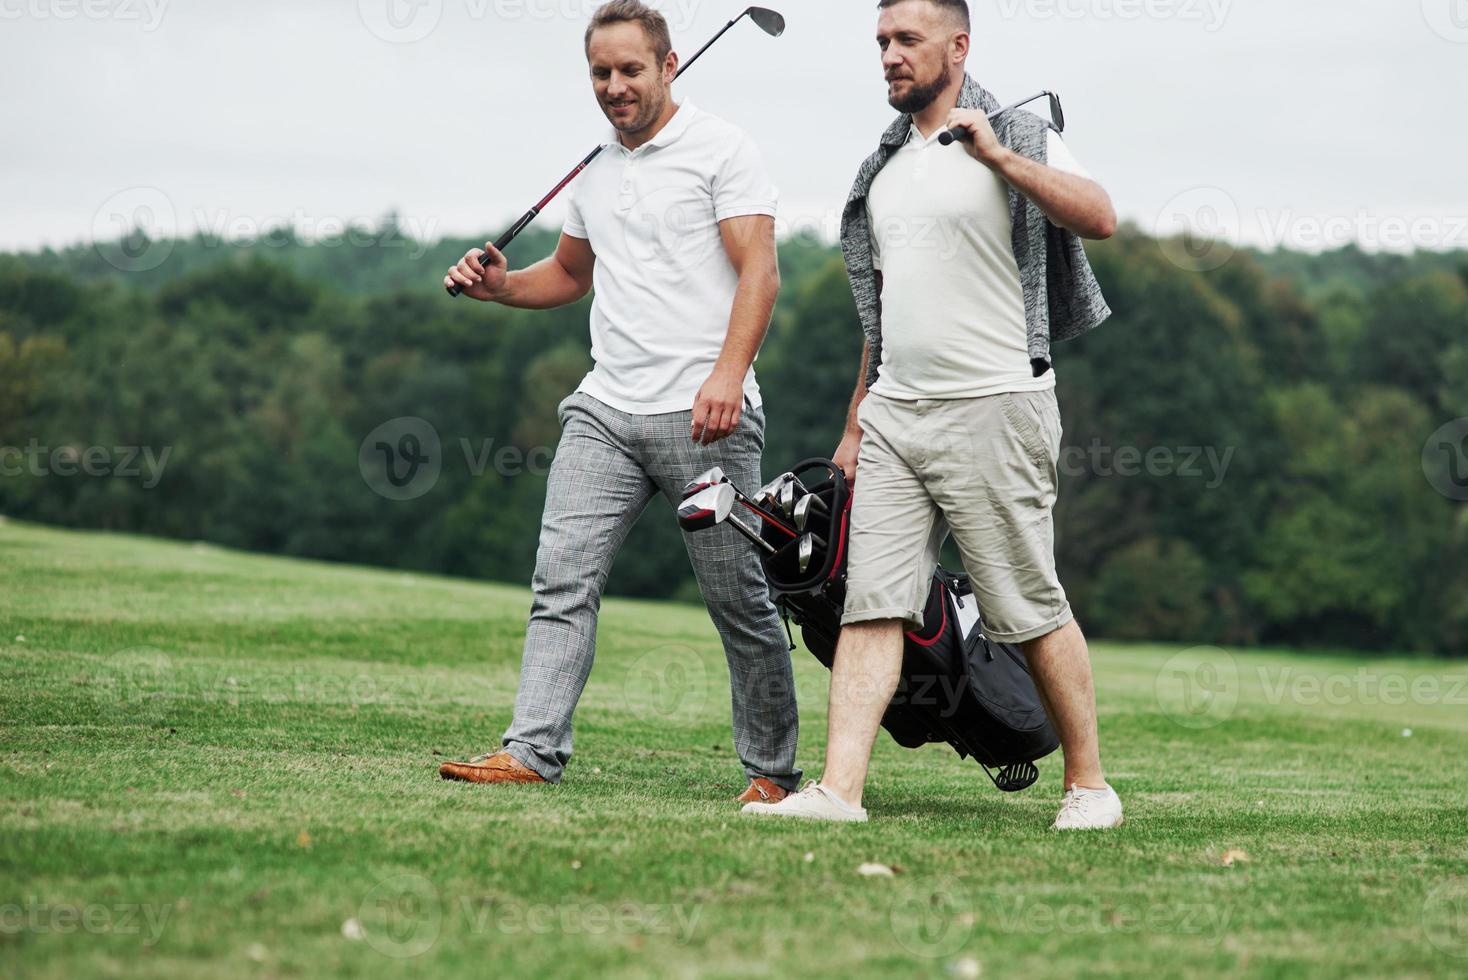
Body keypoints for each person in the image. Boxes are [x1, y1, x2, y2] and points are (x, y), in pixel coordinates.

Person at [743, 0, 1122, 829]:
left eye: (907, 40)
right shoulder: (880, 167)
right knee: (872, 602)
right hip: (896, 417)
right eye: (881, 41)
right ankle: (840, 792)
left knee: (1026, 604)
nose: (889, 56)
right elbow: (885, 315)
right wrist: (856, 420)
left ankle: (1090, 787)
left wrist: (998, 157)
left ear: (958, 46)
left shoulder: (1016, 132)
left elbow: (1098, 214)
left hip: (997, 404)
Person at [438, 0, 800, 804]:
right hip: (605, 408)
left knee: (739, 600)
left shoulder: (723, 150)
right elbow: (569, 275)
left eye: (630, 69)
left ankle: (772, 774)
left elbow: (761, 272)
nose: (614, 86)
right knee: (560, 579)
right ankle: (531, 749)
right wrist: (501, 287)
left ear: (669, 66)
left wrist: (728, 375)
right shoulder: (595, 165)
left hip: (706, 414)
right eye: (600, 72)